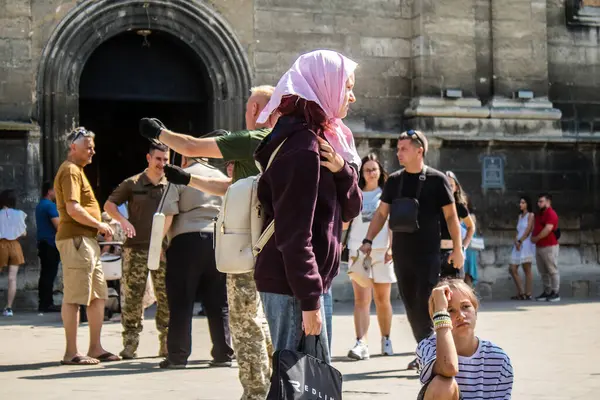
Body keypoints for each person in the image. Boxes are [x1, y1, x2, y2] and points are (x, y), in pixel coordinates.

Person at [139, 85, 276, 400]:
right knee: (260, 319)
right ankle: (272, 384)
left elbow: (191, 145)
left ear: (256, 110)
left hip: (245, 242)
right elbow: (231, 186)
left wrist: (158, 131)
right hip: (265, 242)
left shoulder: (252, 139)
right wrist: (188, 179)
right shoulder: (273, 145)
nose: (245, 113)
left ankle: (256, 393)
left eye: (248, 108)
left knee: (245, 323)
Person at [253, 49, 362, 364]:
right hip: (294, 288)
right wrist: (310, 301)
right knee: (298, 382)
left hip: (309, 286)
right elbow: (294, 234)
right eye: (348, 87)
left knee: (307, 382)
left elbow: (351, 210)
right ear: (323, 86)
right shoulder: (302, 148)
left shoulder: (325, 142)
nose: (352, 97)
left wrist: (342, 170)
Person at [360, 130, 464, 370]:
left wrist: (458, 249)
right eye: (398, 149)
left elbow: (451, 217)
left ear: (420, 151)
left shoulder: (437, 181)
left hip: (428, 253)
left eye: (403, 148)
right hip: (402, 254)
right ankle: (425, 351)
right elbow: (381, 214)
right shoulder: (395, 181)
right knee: (411, 303)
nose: (399, 153)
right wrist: (368, 239)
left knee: (428, 300)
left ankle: (437, 351)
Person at [159, 156, 234, 369]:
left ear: (184, 158)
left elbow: (167, 214)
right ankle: (223, 353)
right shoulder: (220, 177)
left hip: (186, 241)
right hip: (217, 242)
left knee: (181, 300)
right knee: (219, 302)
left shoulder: (180, 176)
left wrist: (159, 246)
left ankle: (178, 356)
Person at [54, 127, 119, 365]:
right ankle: (71, 353)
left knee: (97, 296)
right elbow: (73, 209)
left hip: (86, 240)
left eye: (92, 146)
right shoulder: (70, 170)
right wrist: (100, 224)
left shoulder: (77, 171)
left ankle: (95, 347)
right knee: (74, 296)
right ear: (73, 147)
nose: (93, 150)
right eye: (88, 146)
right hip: (77, 240)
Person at [104, 142, 170, 359]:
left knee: (166, 296)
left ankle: (166, 343)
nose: (162, 164)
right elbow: (109, 205)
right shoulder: (132, 183)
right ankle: (130, 344)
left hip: (163, 250)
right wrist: (123, 221)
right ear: (149, 159)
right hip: (136, 249)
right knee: (132, 297)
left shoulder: (172, 184)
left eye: (166, 160)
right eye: (158, 159)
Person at [416, 279, 513, 399]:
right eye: (450, 310)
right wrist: (441, 313)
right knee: (443, 384)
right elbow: (448, 367)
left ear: (475, 310)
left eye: (466, 306)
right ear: (436, 317)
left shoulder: (498, 358)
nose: (461, 316)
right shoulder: (428, 346)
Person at [346, 153, 396, 360]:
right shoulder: (354, 193)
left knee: (383, 299)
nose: (371, 173)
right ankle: (361, 342)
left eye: (374, 169)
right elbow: (346, 223)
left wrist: (392, 248)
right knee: (361, 300)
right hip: (358, 251)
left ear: (380, 171)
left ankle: (386, 339)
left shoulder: (386, 194)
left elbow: (392, 223)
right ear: (362, 173)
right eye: (367, 170)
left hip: (382, 251)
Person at [440, 171, 475, 279]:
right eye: (445, 184)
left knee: (456, 289)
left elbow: (471, 227)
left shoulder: (459, 206)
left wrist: (464, 246)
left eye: (451, 185)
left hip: (454, 252)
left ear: (456, 188)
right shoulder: (435, 204)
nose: (448, 188)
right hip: (436, 252)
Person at [35, 182, 62, 313]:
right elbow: (58, 226)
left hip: (43, 242)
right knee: (49, 274)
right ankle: (47, 303)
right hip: (51, 243)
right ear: (50, 191)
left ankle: (44, 302)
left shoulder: (40, 205)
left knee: (45, 273)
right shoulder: (50, 206)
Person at [0, 189, 27, 316]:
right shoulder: (20, 214)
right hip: (15, 245)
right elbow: (24, 233)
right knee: (12, 278)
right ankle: (9, 308)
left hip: (1, 245)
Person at [532, 193, 560, 302]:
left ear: (548, 202)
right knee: (543, 271)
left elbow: (548, 229)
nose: (539, 204)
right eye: (538, 202)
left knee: (552, 269)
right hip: (540, 246)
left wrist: (537, 238)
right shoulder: (539, 214)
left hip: (549, 246)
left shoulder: (551, 214)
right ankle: (547, 291)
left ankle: (555, 292)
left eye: (541, 201)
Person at [509, 196, 535, 300]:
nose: (521, 205)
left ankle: (528, 293)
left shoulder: (531, 215)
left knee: (527, 269)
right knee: (512, 268)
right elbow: (518, 230)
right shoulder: (520, 216)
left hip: (526, 243)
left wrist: (521, 241)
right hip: (518, 243)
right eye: (520, 202)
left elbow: (528, 229)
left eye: (523, 202)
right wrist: (516, 241)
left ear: (527, 204)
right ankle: (521, 291)